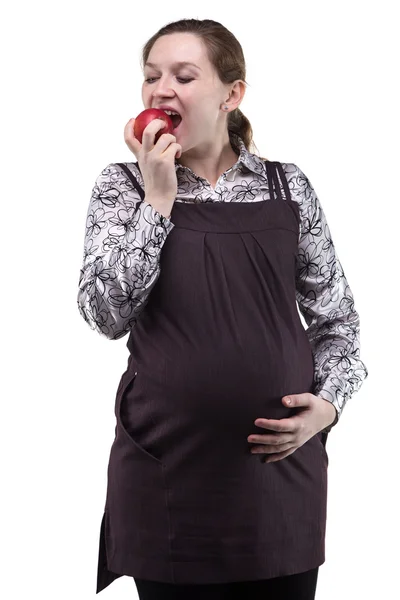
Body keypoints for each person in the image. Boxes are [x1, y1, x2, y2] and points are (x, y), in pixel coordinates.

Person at [77, 18, 368, 600]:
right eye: (151, 76)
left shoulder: (289, 188)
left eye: (183, 76)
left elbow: (339, 322)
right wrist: (158, 198)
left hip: (278, 484)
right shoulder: (123, 188)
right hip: (166, 477)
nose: (162, 89)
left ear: (231, 95)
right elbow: (104, 313)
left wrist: (327, 409)